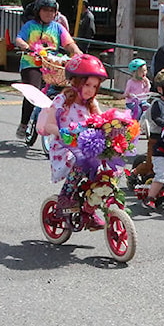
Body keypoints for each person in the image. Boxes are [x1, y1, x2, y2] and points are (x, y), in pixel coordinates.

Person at [39, 54, 109, 229]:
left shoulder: (91, 104)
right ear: (76, 82)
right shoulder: (62, 100)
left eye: (94, 86)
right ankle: (65, 197)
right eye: (87, 85)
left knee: (104, 171)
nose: (90, 90)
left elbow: (102, 121)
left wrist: (114, 128)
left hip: (86, 146)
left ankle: (89, 208)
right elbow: (49, 126)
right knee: (80, 161)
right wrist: (63, 132)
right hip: (65, 146)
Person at [14, 0, 82, 138]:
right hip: (31, 62)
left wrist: (77, 52)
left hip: (51, 64)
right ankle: (24, 123)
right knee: (33, 90)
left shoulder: (58, 28)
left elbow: (69, 43)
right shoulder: (30, 25)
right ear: (38, 11)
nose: (49, 13)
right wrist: (25, 46)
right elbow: (19, 38)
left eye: (52, 11)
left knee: (65, 90)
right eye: (45, 10)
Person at [132, 68, 164, 179]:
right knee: (151, 164)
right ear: (160, 89)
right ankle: (133, 174)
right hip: (156, 139)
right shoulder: (158, 103)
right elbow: (157, 118)